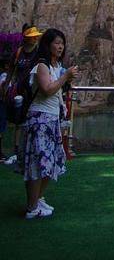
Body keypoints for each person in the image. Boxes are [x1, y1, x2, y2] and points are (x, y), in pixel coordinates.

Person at [22, 28, 78, 219]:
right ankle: (32, 208)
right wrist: (65, 77)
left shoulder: (56, 66)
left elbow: (58, 92)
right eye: (56, 42)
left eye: (62, 43)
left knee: (52, 162)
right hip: (39, 119)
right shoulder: (41, 66)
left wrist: (65, 79)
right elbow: (46, 89)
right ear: (47, 44)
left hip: (52, 119)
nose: (60, 46)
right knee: (38, 163)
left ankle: (37, 199)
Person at [4, 24, 42, 168]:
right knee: (18, 120)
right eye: (33, 37)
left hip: (32, 92)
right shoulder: (19, 52)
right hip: (18, 91)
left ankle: (27, 150)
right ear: (27, 38)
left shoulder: (38, 52)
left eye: (36, 37)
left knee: (29, 119)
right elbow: (11, 70)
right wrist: (6, 85)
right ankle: (17, 150)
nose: (36, 39)